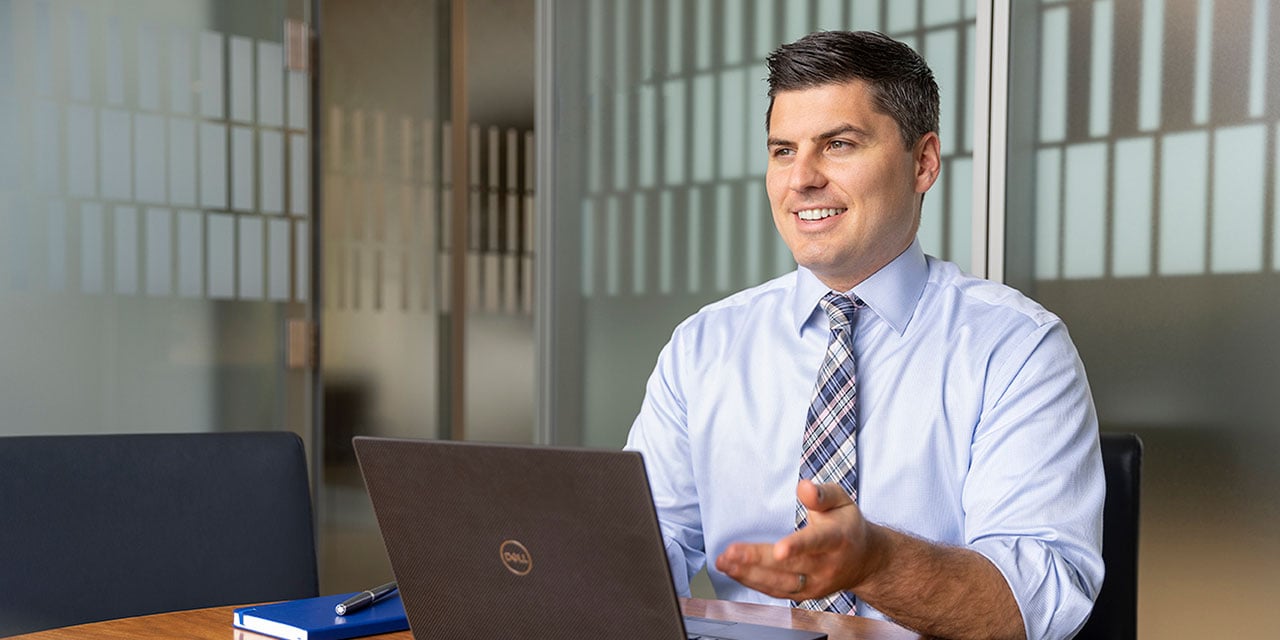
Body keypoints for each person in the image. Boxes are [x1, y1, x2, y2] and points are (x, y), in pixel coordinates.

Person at [624, 30, 1103, 640]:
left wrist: (877, 564)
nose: (801, 179)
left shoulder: (1017, 349)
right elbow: (640, 548)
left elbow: (1036, 606)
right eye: (782, 151)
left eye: (839, 145)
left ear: (923, 162)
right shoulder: (702, 347)